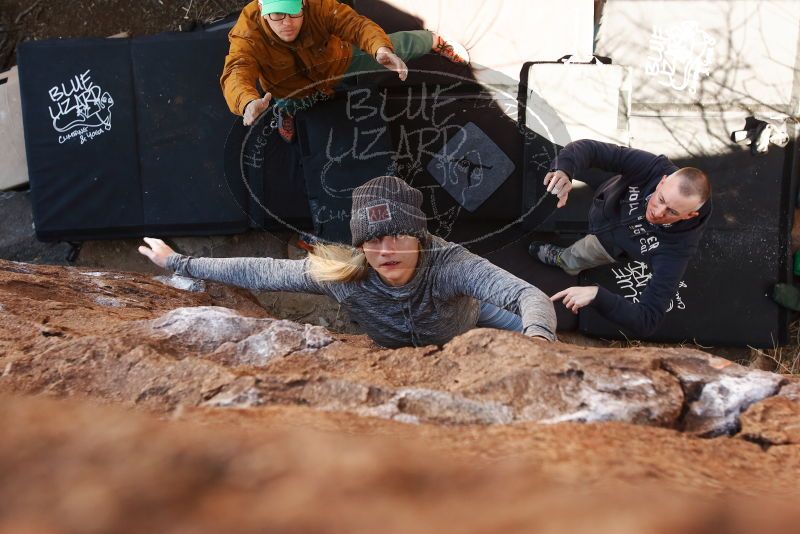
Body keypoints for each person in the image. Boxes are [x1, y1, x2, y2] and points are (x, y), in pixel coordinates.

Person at [139, 176, 557, 348]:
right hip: (395, 352)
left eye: (397, 235)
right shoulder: (346, 273)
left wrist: (536, 346)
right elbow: (263, 271)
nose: (385, 250)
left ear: (420, 235)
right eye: (373, 239)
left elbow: (528, 295)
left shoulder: (450, 264)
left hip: (470, 318)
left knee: (542, 338)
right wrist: (180, 262)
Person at [528, 139, 712, 337]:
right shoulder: (653, 167)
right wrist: (564, 171)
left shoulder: (678, 249)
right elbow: (589, 148)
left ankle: (563, 259)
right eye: (660, 199)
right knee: (576, 162)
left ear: (688, 216)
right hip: (608, 197)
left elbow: (648, 320)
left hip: (608, 245)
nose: (658, 212)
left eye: (672, 212)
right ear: (662, 181)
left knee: (579, 255)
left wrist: (598, 296)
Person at [221, 0, 469, 139]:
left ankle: (434, 40)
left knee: (394, 48)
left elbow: (356, 26)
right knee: (283, 104)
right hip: (285, 87)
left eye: (293, 12)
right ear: (263, 11)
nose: (286, 23)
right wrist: (245, 101)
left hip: (337, 63)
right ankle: (286, 114)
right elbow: (237, 68)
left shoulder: (319, 6)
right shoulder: (248, 31)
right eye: (277, 15)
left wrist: (380, 48)